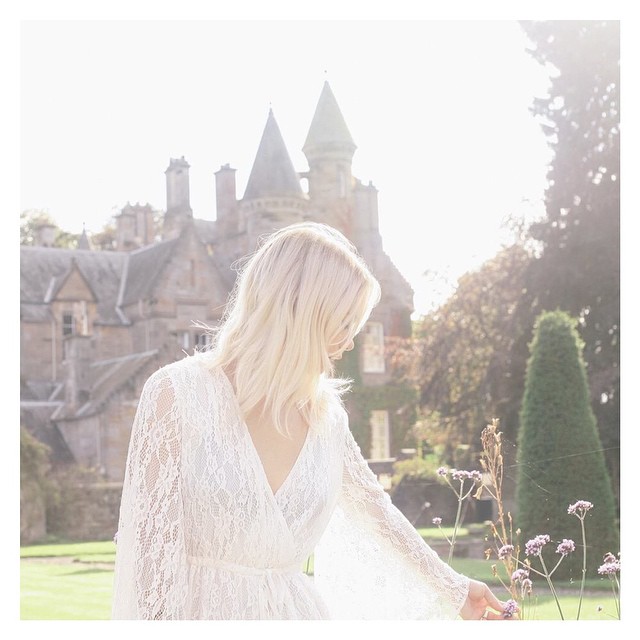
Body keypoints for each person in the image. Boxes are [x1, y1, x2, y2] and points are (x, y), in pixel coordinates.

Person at [111, 221, 509, 620]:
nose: (350, 343)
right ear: (302, 313)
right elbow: (148, 561)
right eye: (345, 324)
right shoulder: (176, 394)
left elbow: (377, 514)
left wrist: (454, 589)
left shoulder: (327, 419)